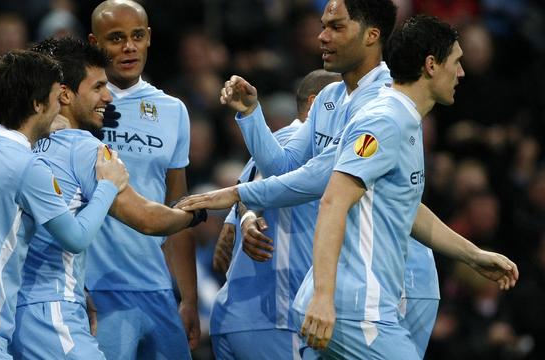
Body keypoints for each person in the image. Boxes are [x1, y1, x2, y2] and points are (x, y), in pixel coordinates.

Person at [176, 0, 511, 356]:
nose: (322, 36)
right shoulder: (341, 100)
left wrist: (240, 197)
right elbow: (300, 172)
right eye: (324, 26)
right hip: (354, 294)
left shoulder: (385, 102)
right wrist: (252, 119)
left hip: (399, 280)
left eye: (336, 27)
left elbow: (346, 186)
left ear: (372, 35)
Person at [296, 15, 517, 358]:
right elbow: (333, 202)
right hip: (354, 308)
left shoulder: (404, 120)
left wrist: (474, 255)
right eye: (456, 62)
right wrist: (323, 297)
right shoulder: (385, 121)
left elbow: (407, 207)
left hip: (356, 304)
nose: (461, 73)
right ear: (431, 65)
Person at [0, 49, 128, 359]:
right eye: (57, 98)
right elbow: (76, 238)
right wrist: (108, 185)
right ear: (37, 104)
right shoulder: (28, 168)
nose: (61, 108)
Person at [9, 37, 204, 359]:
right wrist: (201, 209)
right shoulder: (86, 149)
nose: (107, 96)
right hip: (58, 307)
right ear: (66, 94)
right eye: (98, 86)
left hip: (15, 305)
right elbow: (148, 218)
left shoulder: (13, 143)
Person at [87, 1, 198, 358]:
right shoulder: (75, 107)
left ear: (149, 38)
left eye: (136, 36)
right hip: (94, 288)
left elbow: (178, 206)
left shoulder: (173, 110)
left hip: (156, 288)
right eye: (116, 38)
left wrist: (189, 298)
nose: (128, 47)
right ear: (95, 43)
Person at [210, 69, 340, 359]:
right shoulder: (299, 141)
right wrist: (243, 220)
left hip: (240, 313)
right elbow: (262, 186)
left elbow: (247, 190)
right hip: (277, 316)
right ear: (317, 102)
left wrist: (237, 221)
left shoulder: (277, 141)